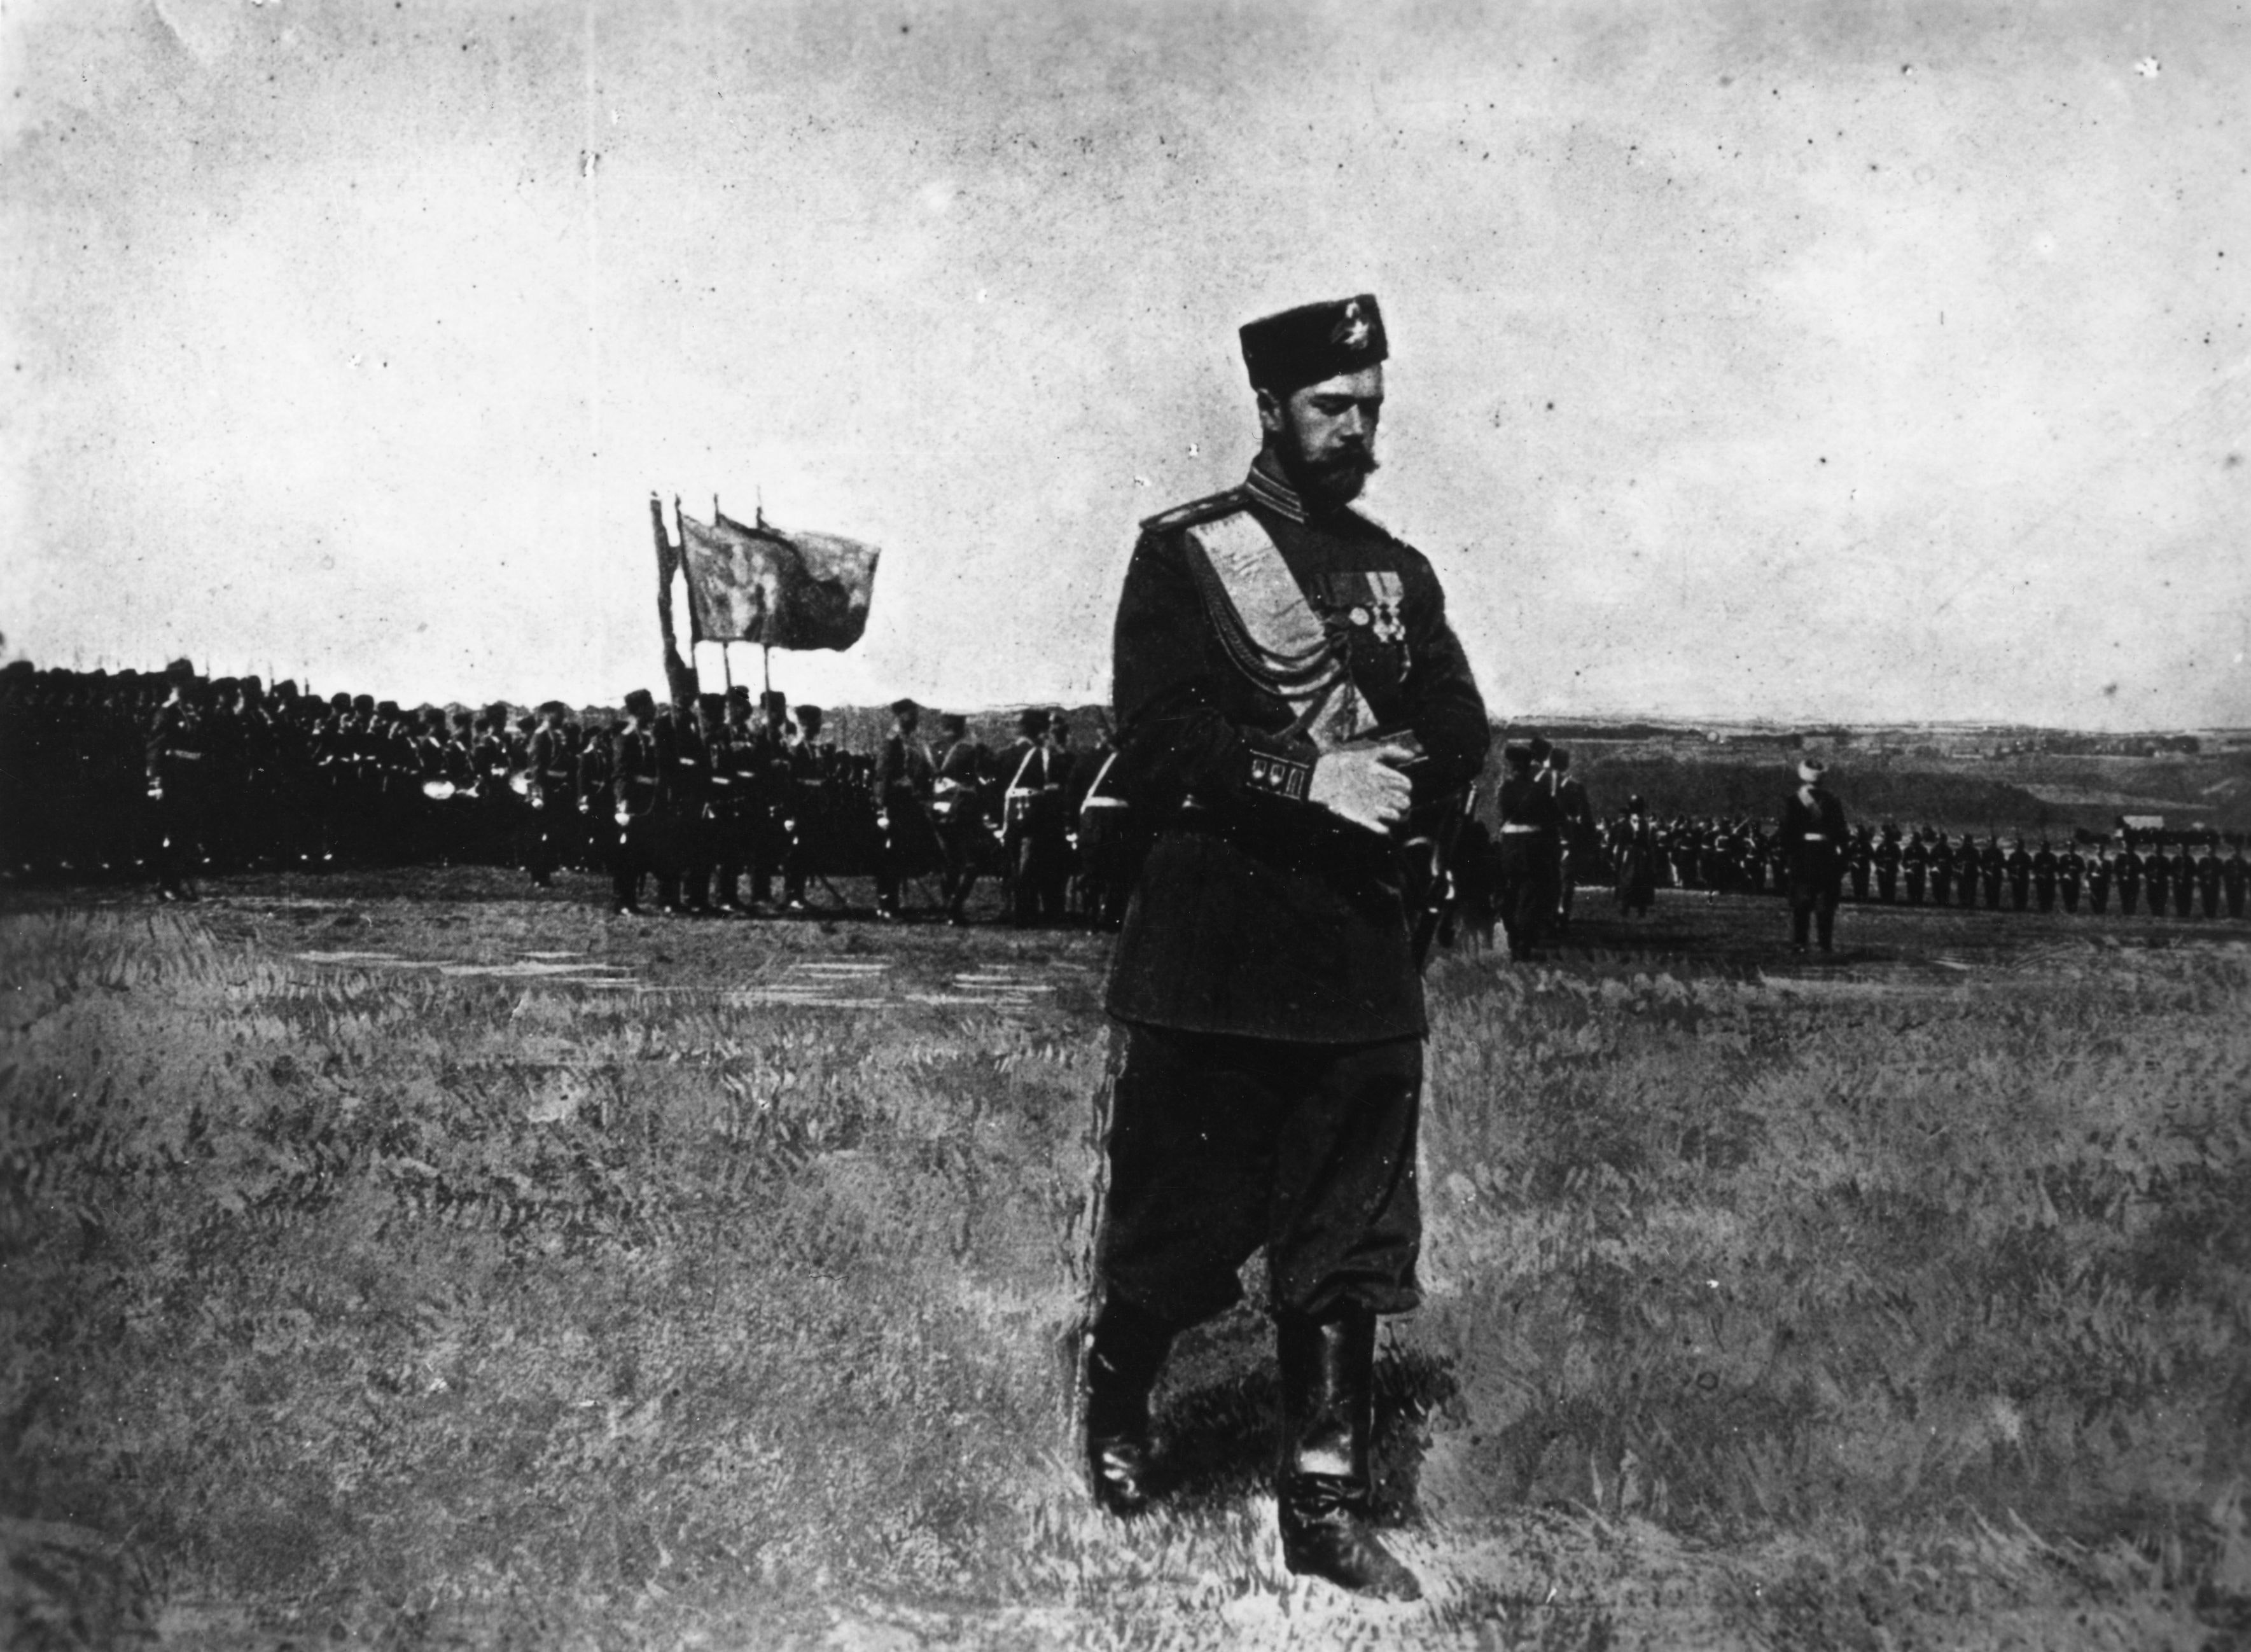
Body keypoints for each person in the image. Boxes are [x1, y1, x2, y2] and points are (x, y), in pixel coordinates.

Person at [1082, 294, 1488, 1602]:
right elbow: (1152, 739)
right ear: (1269, 406)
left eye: (1370, 405)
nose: (1356, 427)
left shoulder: (1397, 572)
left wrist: (1394, 787)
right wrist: (1308, 782)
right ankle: (1116, 1401)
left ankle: (1320, 1499)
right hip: (1216, 951)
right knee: (1175, 1228)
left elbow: (1456, 728)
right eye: (1331, 406)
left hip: (1354, 956)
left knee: (1347, 1236)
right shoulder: (1187, 555)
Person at [1779, 759, 1848, 953]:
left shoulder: (1793, 800)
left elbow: (1787, 833)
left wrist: (1788, 858)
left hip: (1802, 856)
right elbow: (1841, 833)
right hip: (1827, 856)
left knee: (1801, 902)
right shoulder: (1832, 801)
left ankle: (1800, 943)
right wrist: (1842, 860)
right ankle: (1825, 944)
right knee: (1825, 903)